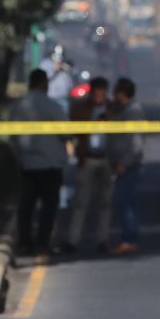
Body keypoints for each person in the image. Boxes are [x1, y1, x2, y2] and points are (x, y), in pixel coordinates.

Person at [11, 68, 68, 256]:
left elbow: (12, 134)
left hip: (27, 163)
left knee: (26, 206)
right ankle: (42, 243)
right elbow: (66, 132)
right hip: (50, 164)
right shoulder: (52, 106)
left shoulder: (18, 106)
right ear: (45, 84)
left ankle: (25, 242)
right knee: (48, 206)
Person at [58, 76, 113, 254]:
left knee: (105, 202)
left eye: (102, 93)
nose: (100, 96)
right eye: (97, 93)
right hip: (87, 158)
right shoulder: (81, 107)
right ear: (91, 92)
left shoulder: (111, 109)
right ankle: (73, 240)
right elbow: (75, 127)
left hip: (106, 158)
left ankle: (103, 240)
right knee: (81, 202)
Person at [107, 77, 146, 255]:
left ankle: (129, 239)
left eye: (117, 92)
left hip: (129, 165)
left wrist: (124, 163)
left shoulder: (133, 112)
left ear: (122, 93)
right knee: (125, 202)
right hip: (123, 163)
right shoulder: (123, 110)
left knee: (127, 203)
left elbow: (135, 142)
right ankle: (128, 238)